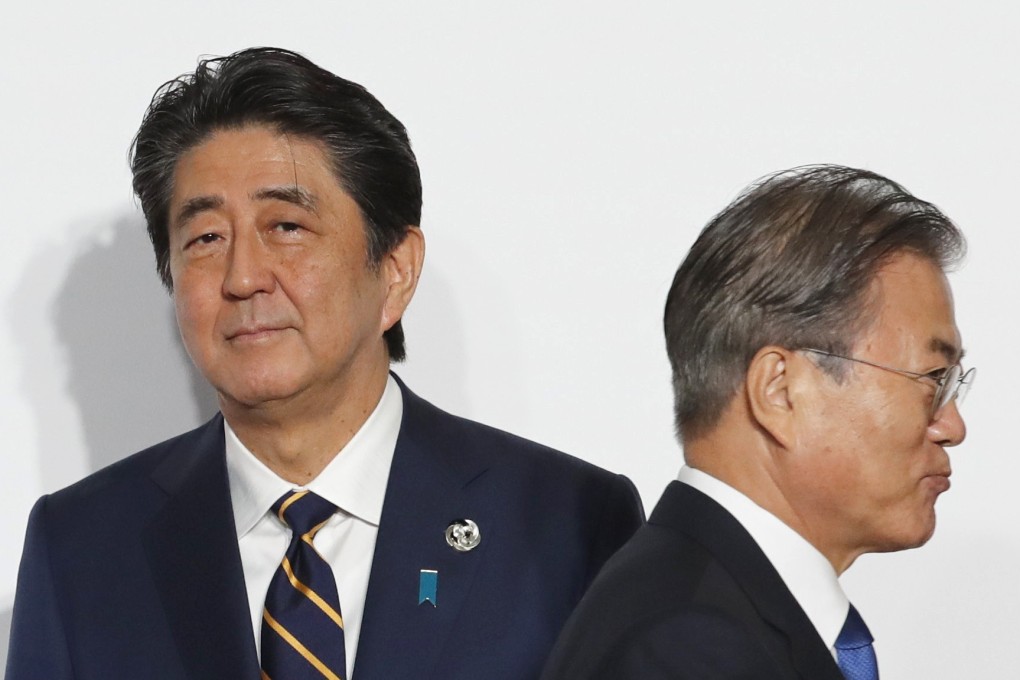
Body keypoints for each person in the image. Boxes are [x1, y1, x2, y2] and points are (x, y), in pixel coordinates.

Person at [6, 47, 643, 680]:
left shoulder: (570, 524)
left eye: (285, 226)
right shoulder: (80, 549)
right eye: (205, 239)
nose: (244, 277)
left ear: (395, 271)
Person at [541, 165, 974, 680]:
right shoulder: (690, 648)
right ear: (780, 391)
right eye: (931, 378)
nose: (952, 426)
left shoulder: (708, 608)